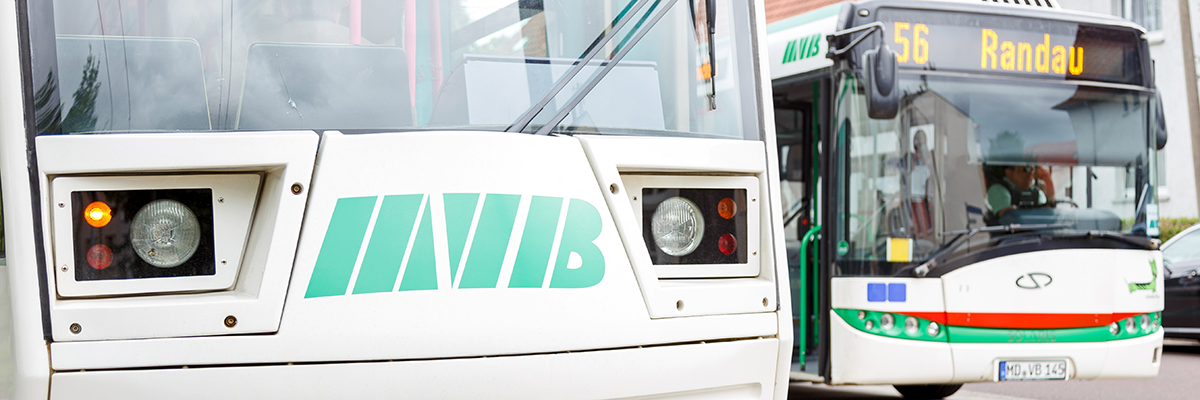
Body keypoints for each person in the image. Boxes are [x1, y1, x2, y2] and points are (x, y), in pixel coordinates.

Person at [987, 165, 1056, 217]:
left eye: (1032, 169)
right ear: (1009, 172)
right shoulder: (998, 190)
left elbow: (1046, 214)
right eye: (1026, 169)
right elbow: (1008, 217)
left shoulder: (1037, 192)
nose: (1030, 173)